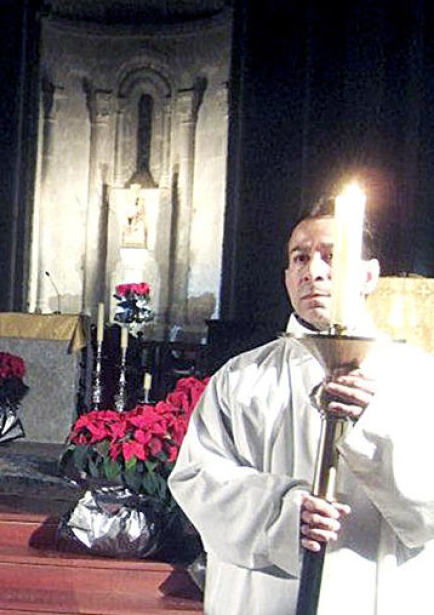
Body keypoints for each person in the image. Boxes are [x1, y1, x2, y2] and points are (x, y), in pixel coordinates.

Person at [168, 197, 434, 614]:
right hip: (264, 595)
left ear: (369, 275)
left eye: (332, 256)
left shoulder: (417, 378)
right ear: (287, 277)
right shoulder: (241, 379)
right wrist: (281, 515)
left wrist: (373, 426)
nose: (315, 271)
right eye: (301, 258)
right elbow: (197, 479)